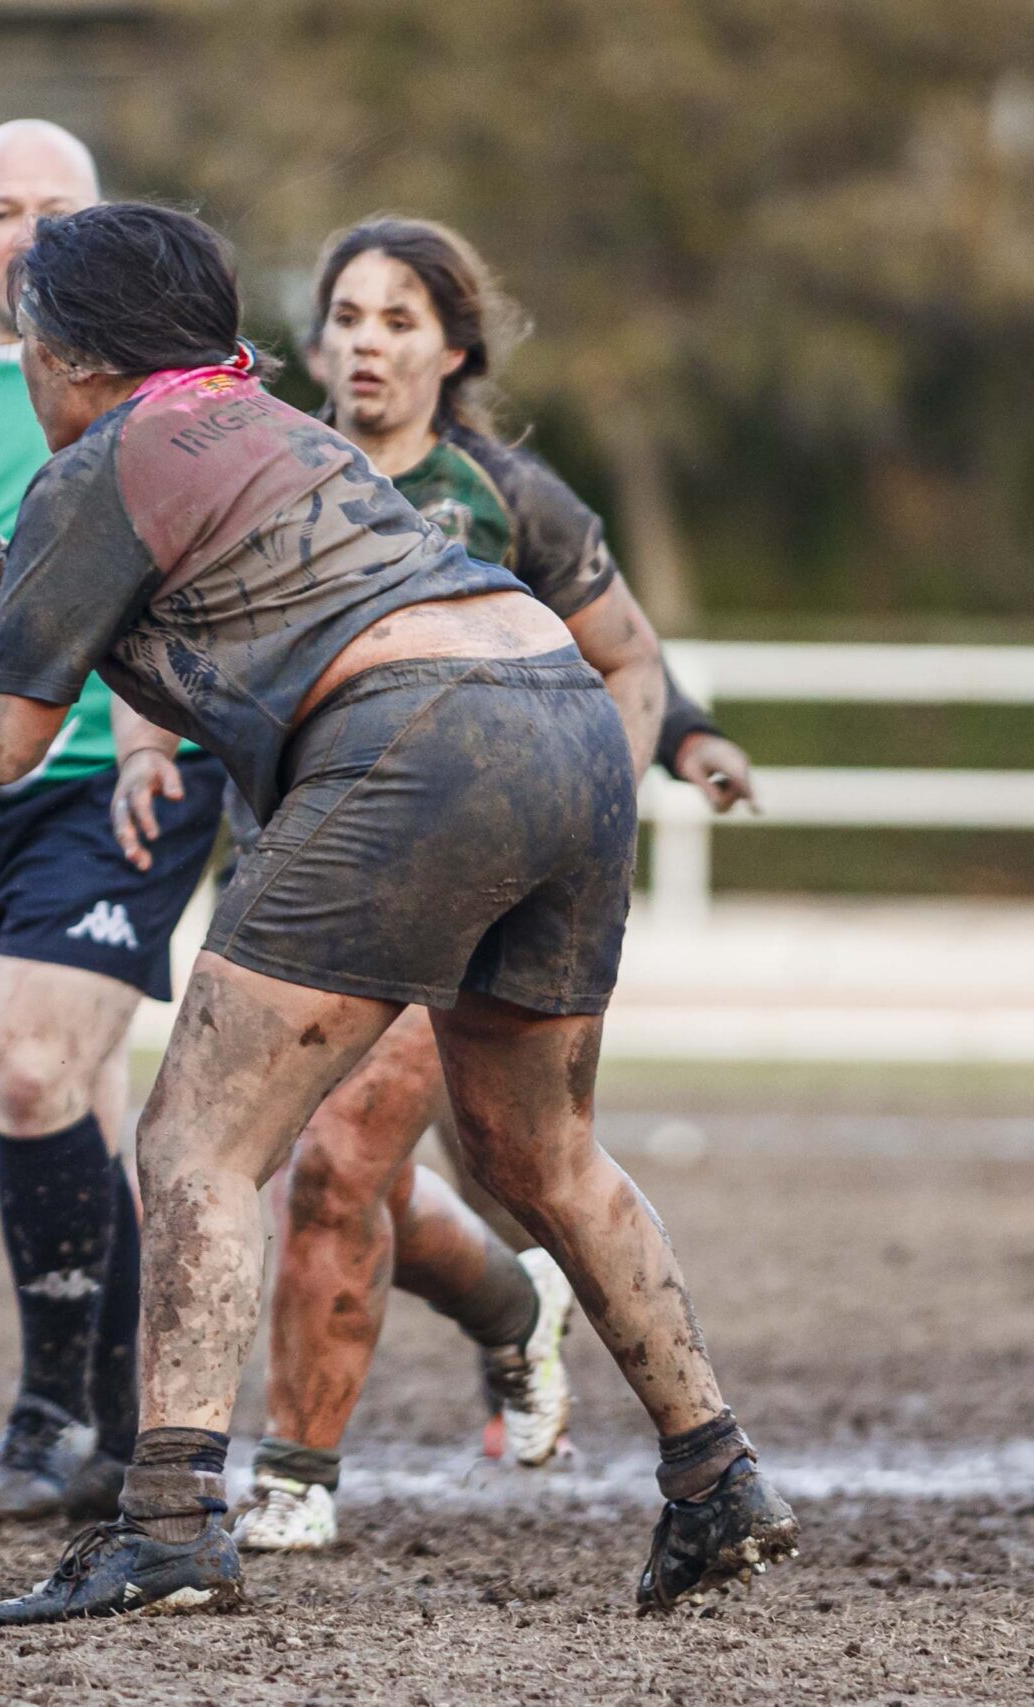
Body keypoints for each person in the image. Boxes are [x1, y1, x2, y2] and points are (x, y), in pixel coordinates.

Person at [0, 204, 798, 1621]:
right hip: (560, 716)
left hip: (411, 735)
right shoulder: (279, 428)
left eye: (35, 345)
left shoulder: (102, 457)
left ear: (75, 354)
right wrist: (37, 581)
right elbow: (229, 653)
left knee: (195, 1141)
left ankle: (169, 1516)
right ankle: (717, 1468)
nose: (28, 371)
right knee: (544, 1149)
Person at [177, 216, 766, 1553]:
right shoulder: (267, 472)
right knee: (390, 1174)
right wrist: (147, 750)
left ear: (453, 344)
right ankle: (511, 1306)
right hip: (287, 866)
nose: (367, 340)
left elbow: (626, 657)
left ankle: (296, 1477)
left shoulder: (506, 496)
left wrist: (637, 768)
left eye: (399, 317)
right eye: (347, 314)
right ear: (315, 335)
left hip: (453, 874)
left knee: (333, 1159)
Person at [0, 119, 227, 1524]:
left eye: (59, 208)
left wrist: (153, 732)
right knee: (75, 1104)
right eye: (1, 210)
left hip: (116, 777)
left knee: (28, 1071)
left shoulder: (157, 403)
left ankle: (49, 1413)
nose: (27, 233)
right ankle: (133, 1422)